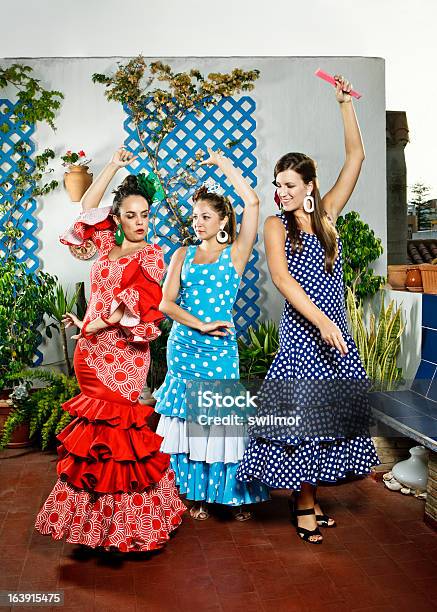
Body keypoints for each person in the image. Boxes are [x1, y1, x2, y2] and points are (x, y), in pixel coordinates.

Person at [236, 75, 379, 543]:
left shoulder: (327, 214)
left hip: (335, 334)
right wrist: (322, 321)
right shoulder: (277, 226)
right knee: (303, 423)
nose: (282, 192)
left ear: (310, 185)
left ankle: (312, 499)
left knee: (326, 422)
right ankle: (302, 505)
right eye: (278, 185)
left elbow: (356, 157)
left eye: (290, 184)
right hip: (306, 337)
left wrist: (344, 104)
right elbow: (281, 279)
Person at [35, 147, 186, 552]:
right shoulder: (104, 246)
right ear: (116, 219)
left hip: (123, 355)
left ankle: (131, 526)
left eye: (145, 215)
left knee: (120, 436)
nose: (140, 222)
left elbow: (140, 302)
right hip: (90, 353)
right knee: (94, 438)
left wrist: (92, 323)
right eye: (131, 215)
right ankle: (94, 527)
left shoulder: (153, 256)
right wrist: (114, 166)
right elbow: (86, 206)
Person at [154, 148, 269, 521]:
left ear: (222, 220)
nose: (197, 221)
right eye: (195, 215)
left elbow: (252, 202)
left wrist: (223, 165)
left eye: (205, 216)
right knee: (188, 425)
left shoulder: (235, 254)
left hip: (219, 352)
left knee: (221, 425)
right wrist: (200, 324)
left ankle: (231, 494)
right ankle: (196, 495)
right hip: (185, 347)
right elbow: (165, 304)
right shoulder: (181, 255)